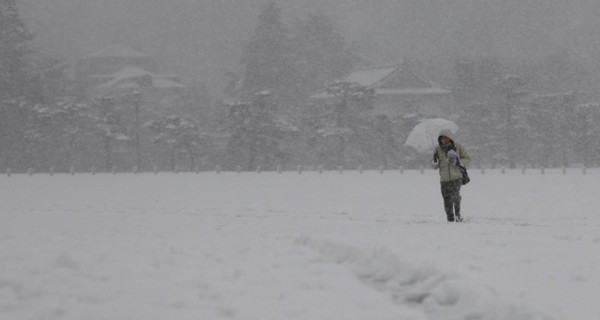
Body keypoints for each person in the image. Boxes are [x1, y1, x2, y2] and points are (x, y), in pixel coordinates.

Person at [432, 129, 471, 222]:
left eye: (446, 138)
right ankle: (450, 218)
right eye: (442, 139)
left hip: (456, 177)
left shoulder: (458, 147)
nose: (444, 140)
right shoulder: (437, 149)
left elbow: (468, 158)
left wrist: (459, 162)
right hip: (444, 179)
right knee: (446, 199)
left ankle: (458, 215)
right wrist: (435, 160)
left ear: (450, 138)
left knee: (456, 197)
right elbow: (434, 166)